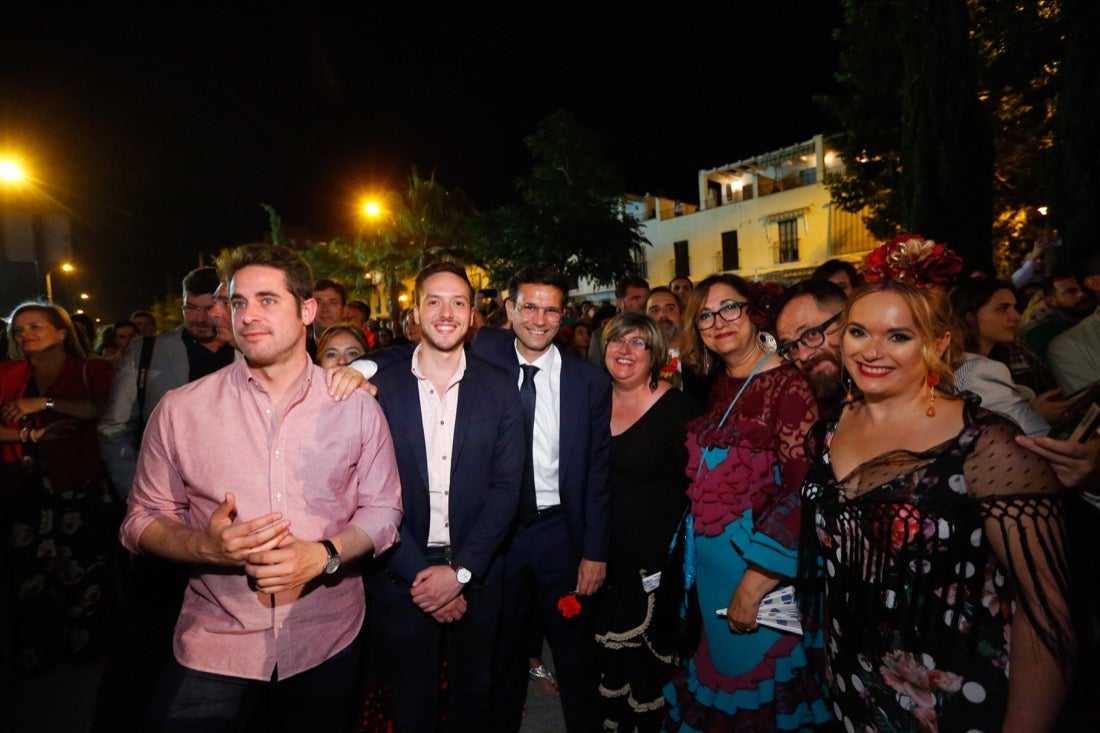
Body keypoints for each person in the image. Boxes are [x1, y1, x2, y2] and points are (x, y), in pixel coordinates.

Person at [119, 244, 403, 731]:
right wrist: (201, 546)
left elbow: (383, 511)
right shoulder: (180, 409)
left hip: (325, 636)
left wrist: (324, 556)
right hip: (217, 641)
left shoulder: (355, 407)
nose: (248, 315)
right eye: (237, 302)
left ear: (307, 311)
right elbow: (140, 518)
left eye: (268, 300)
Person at [799, 274, 1074, 732]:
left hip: (954, 698)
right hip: (852, 690)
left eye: (899, 336)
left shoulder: (988, 446)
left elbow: (1046, 612)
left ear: (938, 343)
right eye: (858, 331)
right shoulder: (831, 428)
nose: (871, 351)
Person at [662, 274, 829, 731]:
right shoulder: (719, 383)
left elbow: (801, 491)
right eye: (706, 315)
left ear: (754, 312)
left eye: (729, 307)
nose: (719, 321)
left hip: (759, 581)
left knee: (760, 704)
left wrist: (755, 584)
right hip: (713, 582)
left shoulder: (789, 387)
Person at [366, 262, 524, 731]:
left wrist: (460, 573)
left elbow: (506, 489)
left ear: (473, 313)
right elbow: (371, 493)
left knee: (473, 699)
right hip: (401, 569)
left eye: (458, 301)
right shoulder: (380, 390)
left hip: (477, 569)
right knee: (410, 702)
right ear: (415, 311)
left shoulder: (500, 388)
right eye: (434, 300)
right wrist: (423, 575)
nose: (446, 312)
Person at [471, 263, 611, 733]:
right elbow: (420, 349)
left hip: (560, 537)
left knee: (575, 657)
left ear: (562, 316)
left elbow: (596, 473)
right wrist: (363, 364)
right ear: (509, 309)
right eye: (528, 306)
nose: (539, 318)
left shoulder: (587, 381)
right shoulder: (485, 354)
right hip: (499, 537)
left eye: (550, 309)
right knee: (502, 656)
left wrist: (594, 551)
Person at [595, 312, 698, 731]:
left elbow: (698, 488)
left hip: (654, 561)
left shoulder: (678, 409)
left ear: (655, 354)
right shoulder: (593, 399)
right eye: (617, 341)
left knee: (649, 669)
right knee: (609, 663)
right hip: (603, 556)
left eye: (638, 343)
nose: (625, 350)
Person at [0, 302, 117, 672]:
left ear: (62, 332)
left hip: (78, 483)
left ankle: (85, 653)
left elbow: (104, 409)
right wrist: (30, 433)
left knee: (82, 569)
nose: (25, 335)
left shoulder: (90, 369)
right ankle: (38, 654)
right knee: (29, 576)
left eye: (36, 326)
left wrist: (46, 402)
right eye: (19, 330)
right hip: (23, 486)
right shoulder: (9, 374)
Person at [950, 277, 1072, 436]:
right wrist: (1035, 414)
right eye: (1002, 308)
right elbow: (1033, 434)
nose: (1016, 316)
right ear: (969, 317)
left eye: (1015, 307)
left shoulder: (1008, 354)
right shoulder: (979, 369)